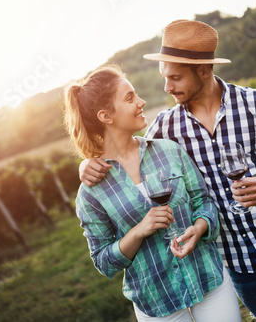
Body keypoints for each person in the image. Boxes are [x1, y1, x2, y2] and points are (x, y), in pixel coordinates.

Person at [80, 20, 256, 321]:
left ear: (204, 71)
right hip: (237, 265)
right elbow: (128, 151)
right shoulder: (166, 128)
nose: (167, 87)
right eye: (165, 77)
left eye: (175, 78)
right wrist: (87, 163)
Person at [64, 65, 242, 321]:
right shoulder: (91, 192)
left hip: (208, 278)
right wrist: (139, 230)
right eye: (129, 98)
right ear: (106, 116)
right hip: (157, 301)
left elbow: (204, 201)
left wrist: (200, 228)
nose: (141, 102)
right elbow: (104, 262)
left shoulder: (168, 150)